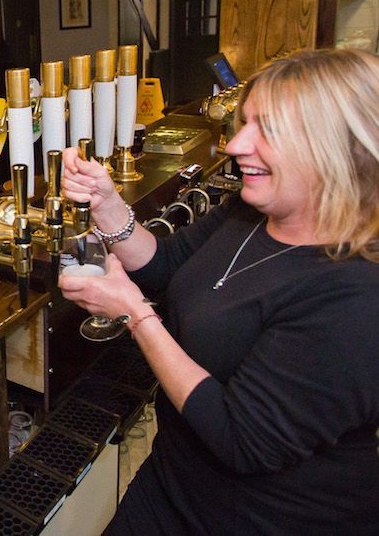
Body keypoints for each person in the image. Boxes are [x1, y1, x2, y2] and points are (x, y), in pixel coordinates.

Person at [58, 48, 379, 532]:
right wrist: (107, 204)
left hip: (265, 516)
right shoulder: (252, 212)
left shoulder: (358, 295)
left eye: (268, 130)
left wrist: (135, 315)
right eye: (245, 123)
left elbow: (242, 440)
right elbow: (165, 266)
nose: (236, 144)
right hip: (174, 480)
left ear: (339, 150)